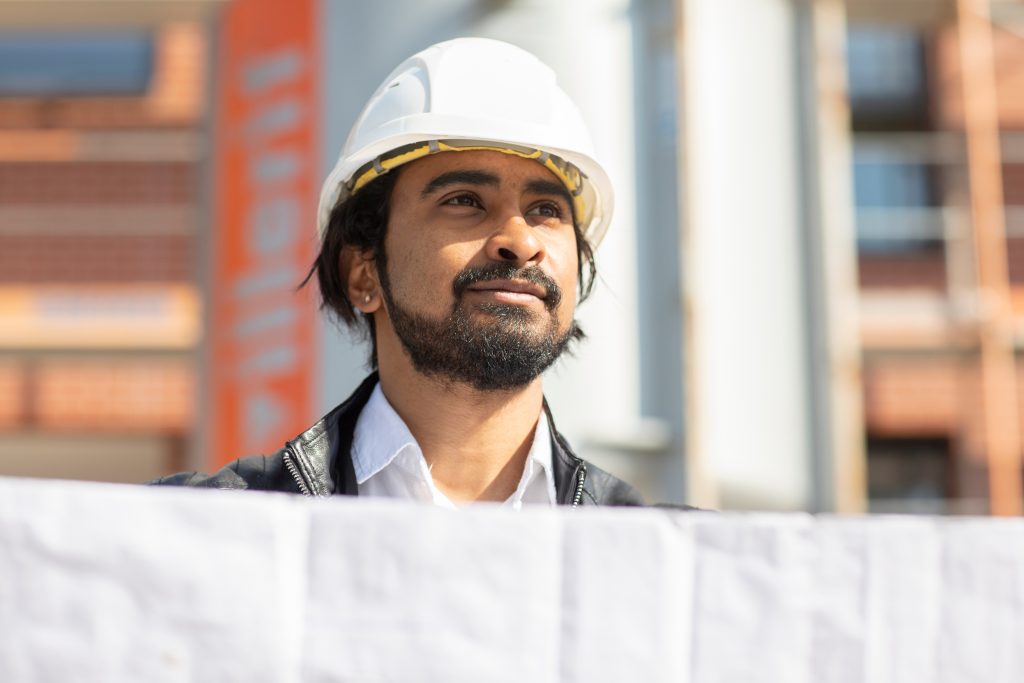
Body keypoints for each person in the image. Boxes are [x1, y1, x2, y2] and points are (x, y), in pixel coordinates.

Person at [153, 37, 643, 507]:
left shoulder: (658, 554)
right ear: (363, 274)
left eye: (546, 210)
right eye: (465, 201)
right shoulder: (206, 529)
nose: (520, 241)